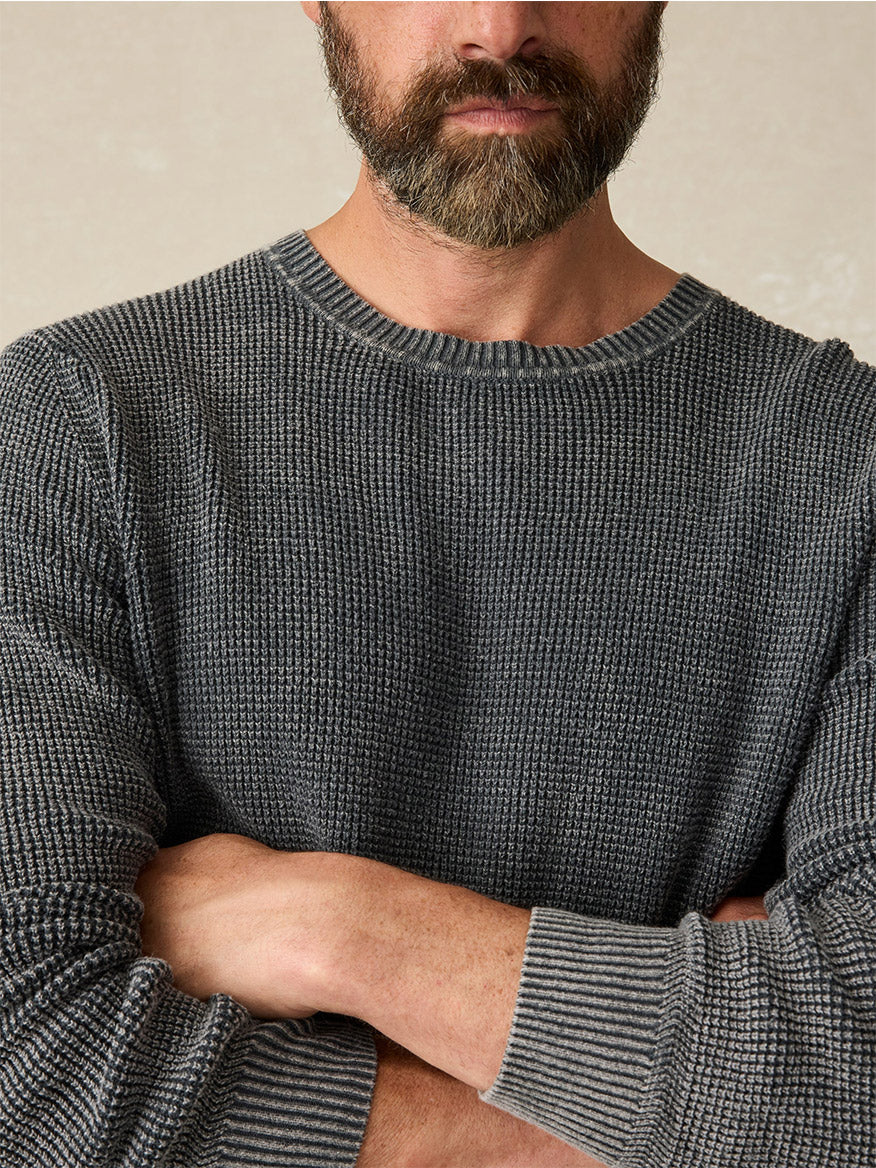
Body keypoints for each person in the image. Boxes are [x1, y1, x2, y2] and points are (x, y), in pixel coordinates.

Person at [1, 2, 873, 1165]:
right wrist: (691, 1112)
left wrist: (344, 929)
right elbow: (29, 1069)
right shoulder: (70, 431)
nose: (499, 24)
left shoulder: (851, 465)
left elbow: (859, 1059)